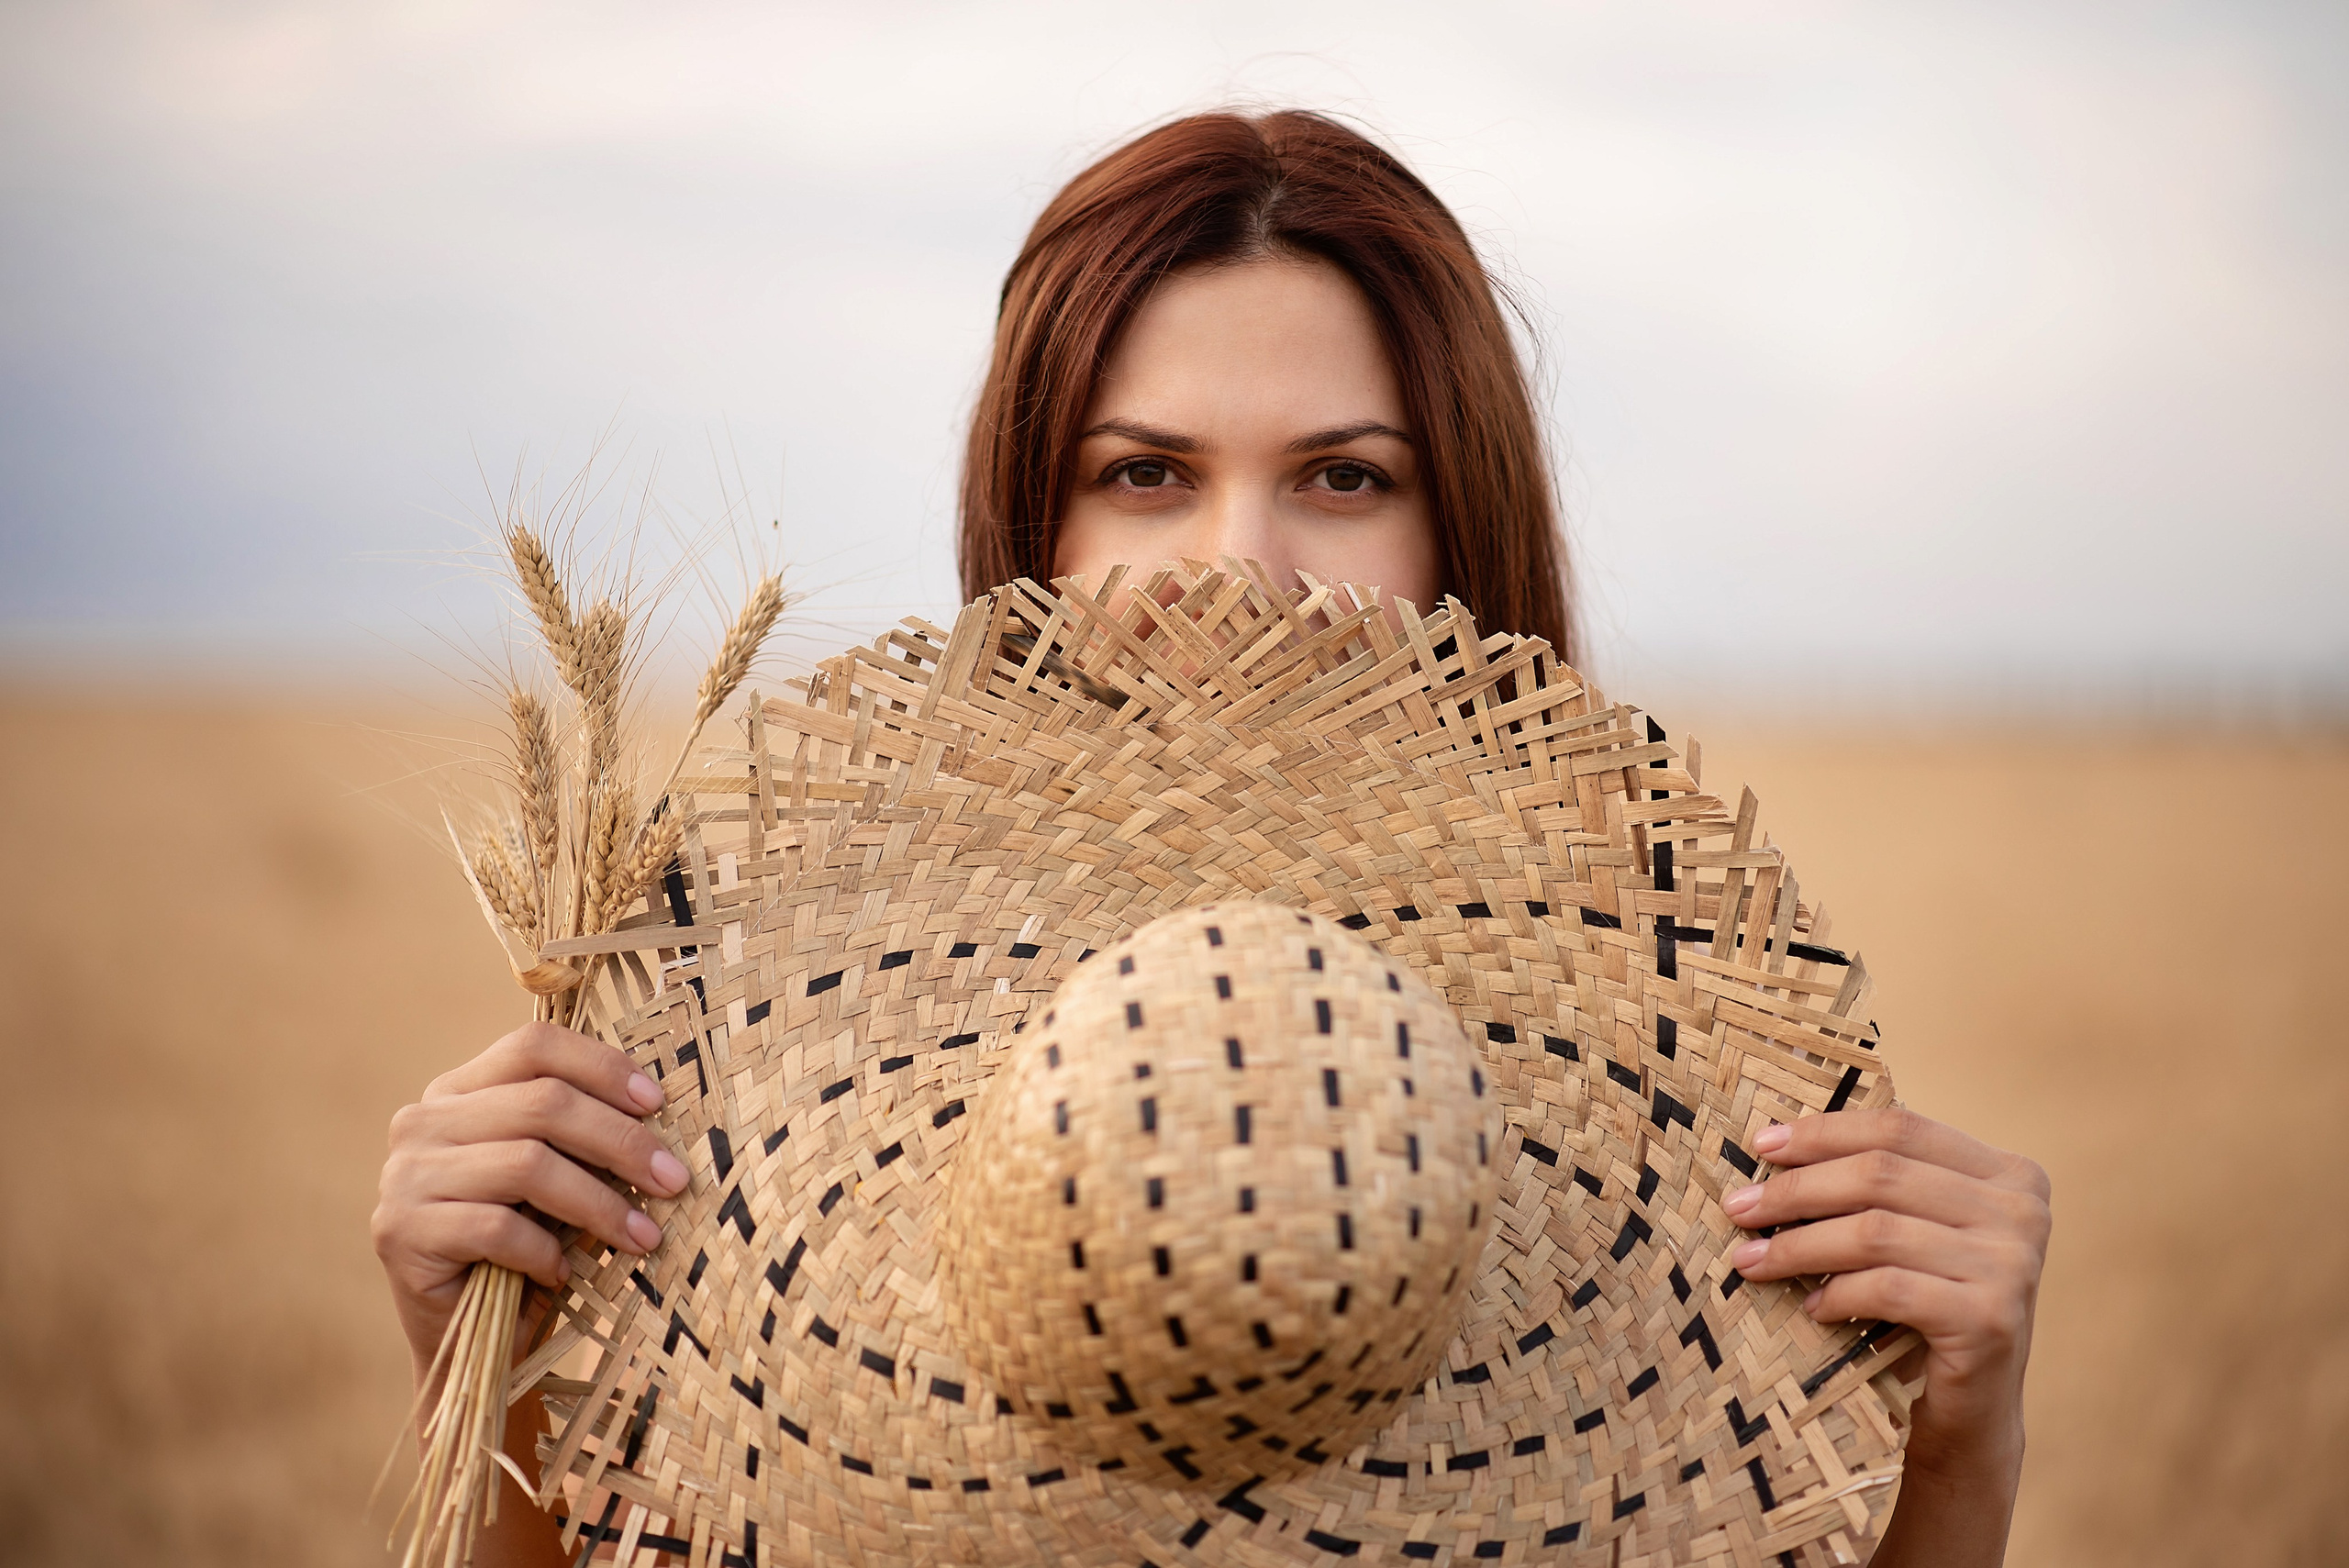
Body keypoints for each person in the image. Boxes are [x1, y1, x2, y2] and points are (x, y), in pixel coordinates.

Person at [375, 108, 2051, 1565]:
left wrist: (1958, 1461)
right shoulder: (728, 1094)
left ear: (1461, 518)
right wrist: (485, 1372)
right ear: (1032, 512)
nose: (1241, 572)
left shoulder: (1698, 1139)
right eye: (1148, 473)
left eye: (1342, 478)